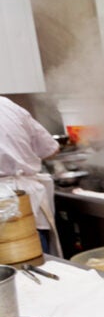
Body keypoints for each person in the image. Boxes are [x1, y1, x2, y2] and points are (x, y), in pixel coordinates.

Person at [0, 96, 61, 255]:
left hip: (15, 203)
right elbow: (50, 149)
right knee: (36, 265)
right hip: (25, 199)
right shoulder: (7, 105)